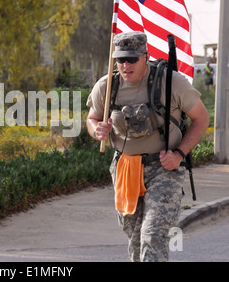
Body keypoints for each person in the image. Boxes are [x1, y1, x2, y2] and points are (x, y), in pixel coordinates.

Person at [86, 31, 210, 262]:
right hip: (126, 170)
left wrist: (179, 153)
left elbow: (202, 119)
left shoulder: (171, 82)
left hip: (164, 169)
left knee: (152, 235)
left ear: (146, 56)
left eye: (132, 59)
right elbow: (92, 119)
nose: (126, 65)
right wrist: (97, 130)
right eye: (121, 59)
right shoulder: (107, 86)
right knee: (134, 238)